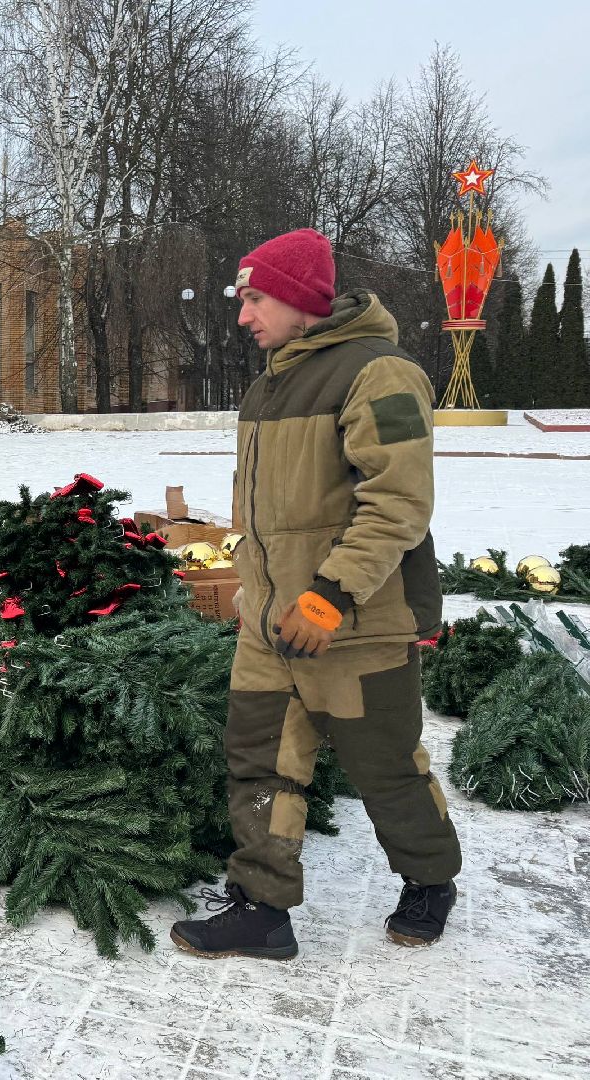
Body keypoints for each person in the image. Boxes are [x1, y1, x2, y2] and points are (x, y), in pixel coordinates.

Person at [171, 229, 461, 961]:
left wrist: (330, 596)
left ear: (302, 300)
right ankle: (261, 909)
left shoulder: (382, 375)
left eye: (257, 299)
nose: (243, 317)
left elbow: (398, 502)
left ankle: (430, 880)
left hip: (353, 626)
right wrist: (260, 599)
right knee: (259, 762)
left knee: (384, 765)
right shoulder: (270, 384)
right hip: (269, 624)